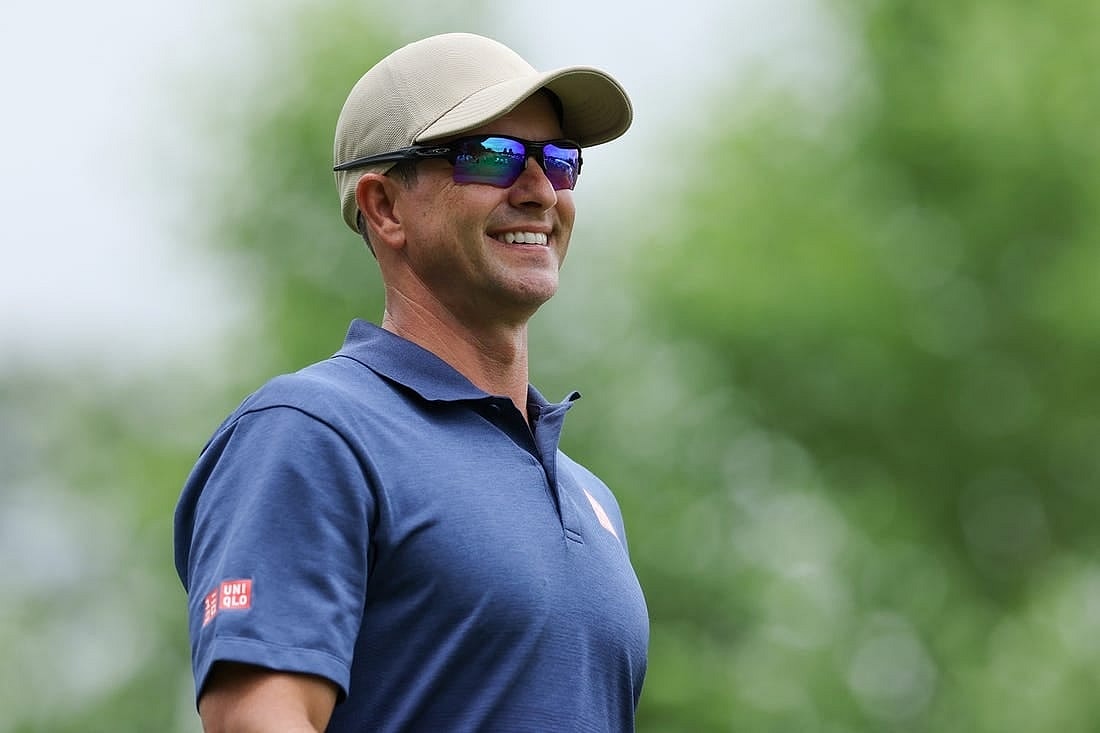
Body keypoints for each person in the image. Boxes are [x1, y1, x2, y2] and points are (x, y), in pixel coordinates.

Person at [174, 31, 648, 732]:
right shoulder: (312, 431)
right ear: (385, 207)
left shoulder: (591, 496)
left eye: (558, 161)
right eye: (491, 157)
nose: (541, 190)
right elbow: (259, 721)